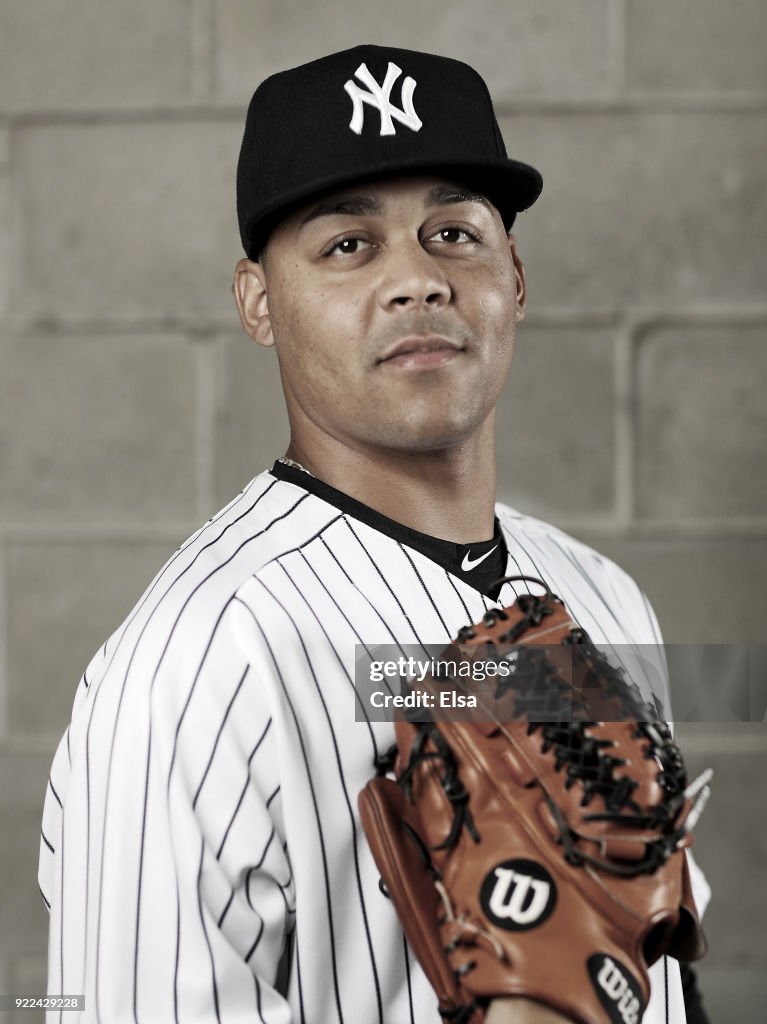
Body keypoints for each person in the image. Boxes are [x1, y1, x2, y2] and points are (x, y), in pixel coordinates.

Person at [39, 45, 710, 1023]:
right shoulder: (188, 667)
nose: (417, 280)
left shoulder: (602, 594)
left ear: (513, 274)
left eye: (452, 232)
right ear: (258, 302)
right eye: (348, 245)